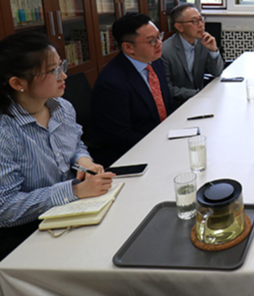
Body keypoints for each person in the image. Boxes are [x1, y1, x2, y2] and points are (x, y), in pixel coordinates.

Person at [0, 32, 114, 260]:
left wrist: (83, 160)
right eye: (52, 71)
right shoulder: (5, 132)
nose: (63, 75)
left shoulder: (62, 107)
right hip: (29, 236)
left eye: (61, 65)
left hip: (73, 213)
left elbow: (75, 143)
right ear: (18, 83)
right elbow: (5, 208)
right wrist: (74, 191)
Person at [91, 13, 173, 166]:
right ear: (128, 47)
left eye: (159, 36)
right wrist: (162, 143)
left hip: (162, 138)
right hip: (134, 154)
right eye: (152, 41)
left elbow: (166, 104)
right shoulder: (112, 83)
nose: (159, 43)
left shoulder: (154, 62)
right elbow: (120, 137)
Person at [162, 3, 224, 108]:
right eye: (194, 21)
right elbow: (167, 89)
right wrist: (198, 94)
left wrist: (213, 51)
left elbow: (217, 72)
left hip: (200, 102)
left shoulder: (203, 43)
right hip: (177, 106)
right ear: (179, 27)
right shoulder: (165, 51)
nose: (201, 25)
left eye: (201, 19)